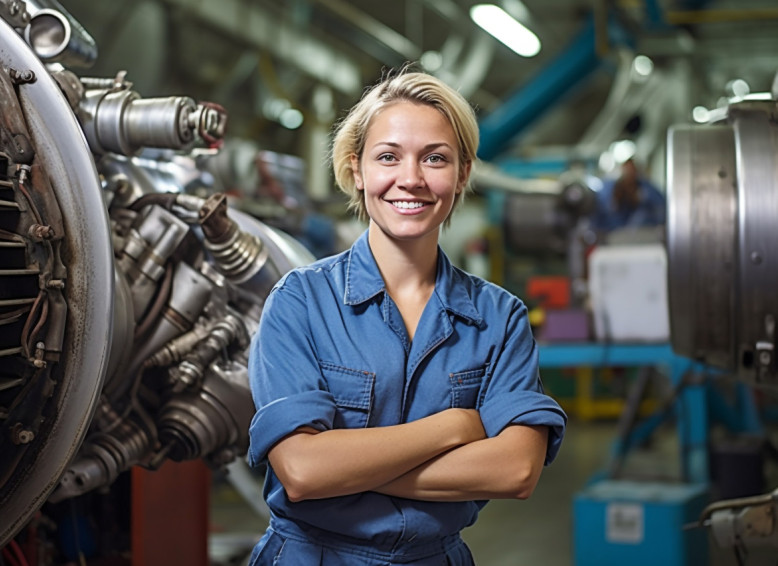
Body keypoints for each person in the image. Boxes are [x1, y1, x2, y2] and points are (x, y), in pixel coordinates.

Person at [246, 68, 567, 565]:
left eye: (435, 158)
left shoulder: (500, 318)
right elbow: (303, 472)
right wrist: (456, 426)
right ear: (357, 170)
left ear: (462, 174)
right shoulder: (300, 302)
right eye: (388, 156)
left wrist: (347, 469)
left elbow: (515, 471)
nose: (411, 179)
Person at [591, 158, 666, 233]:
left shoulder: (646, 188)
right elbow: (600, 214)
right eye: (627, 170)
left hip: (640, 233)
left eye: (632, 170)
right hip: (613, 232)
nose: (630, 173)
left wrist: (642, 198)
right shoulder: (610, 189)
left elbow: (661, 207)